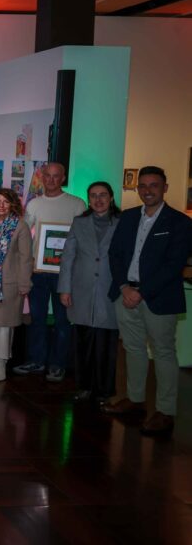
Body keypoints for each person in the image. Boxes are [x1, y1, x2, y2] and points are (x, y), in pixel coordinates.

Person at [104, 166, 192, 436]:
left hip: (158, 298)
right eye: (142, 185)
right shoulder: (129, 217)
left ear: (165, 188)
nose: (148, 190)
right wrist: (124, 287)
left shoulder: (180, 222)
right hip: (125, 293)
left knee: (163, 352)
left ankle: (165, 411)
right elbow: (115, 254)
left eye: (154, 185)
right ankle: (135, 399)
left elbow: (173, 265)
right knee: (133, 349)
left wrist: (141, 292)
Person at [13, 162, 86, 382]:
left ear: (63, 178)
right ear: (42, 178)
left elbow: (82, 238)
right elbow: (23, 233)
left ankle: (57, 364)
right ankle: (36, 360)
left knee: (63, 321)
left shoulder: (77, 204)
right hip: (39, 271)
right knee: (37, 318)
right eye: (48, 176)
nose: (51, 180)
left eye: (56, 176)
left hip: (66, 273)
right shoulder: (34, 204)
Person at [57, 182, 120, 403]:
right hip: (81, 290)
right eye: (93, 195)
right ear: (88, 199)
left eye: (103, 195)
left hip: (110, 290)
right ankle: (84, 386)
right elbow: (68, 257)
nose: (98, 200)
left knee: (106, 344)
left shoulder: (123, 222)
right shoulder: (79, 222)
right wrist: (64, 288)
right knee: (82, 342)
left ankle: (104, 391)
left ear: (111, 197)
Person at [0, 189, 33, 381]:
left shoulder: (20, 226)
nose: (1, 205)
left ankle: (1, 363)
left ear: (13, 204)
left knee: (4, 327)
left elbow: (26, 258)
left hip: (9, 285)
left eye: (6, 202)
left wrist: (24, 284)